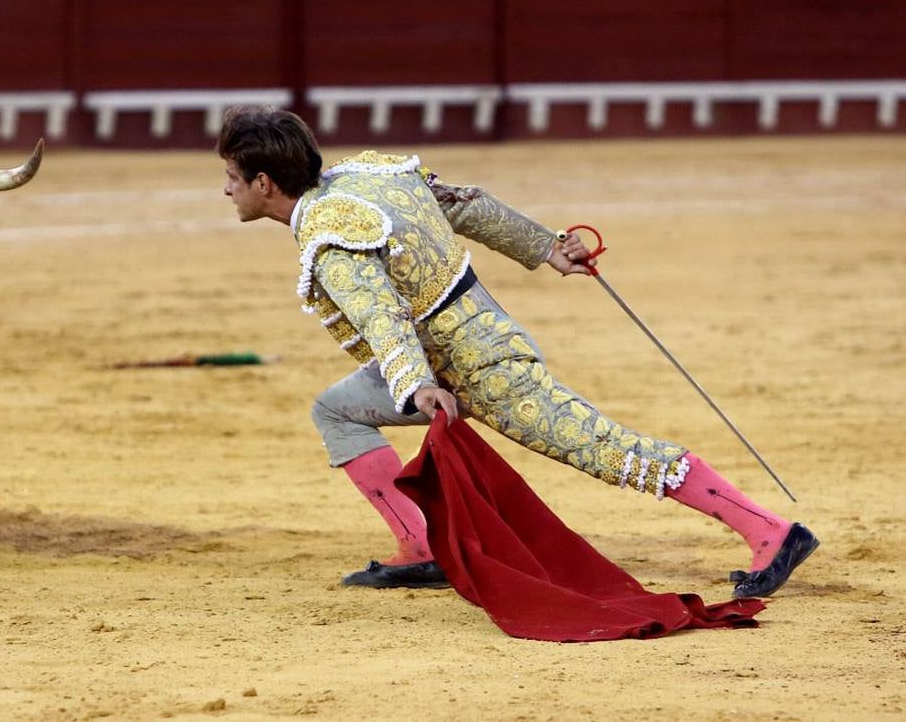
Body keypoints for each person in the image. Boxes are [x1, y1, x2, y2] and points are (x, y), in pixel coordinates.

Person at [215, 106, 817, 597]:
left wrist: (416, 385)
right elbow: (465, 204)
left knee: (601, 446)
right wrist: (546, 247)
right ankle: (421, 547)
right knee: (336, 410)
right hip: (450, 357)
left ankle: (769, 530)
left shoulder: (328, 236)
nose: (227, 190)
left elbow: (384, 318)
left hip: (478, 367)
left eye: (233, 179)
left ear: (264, 183)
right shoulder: (370, 175)